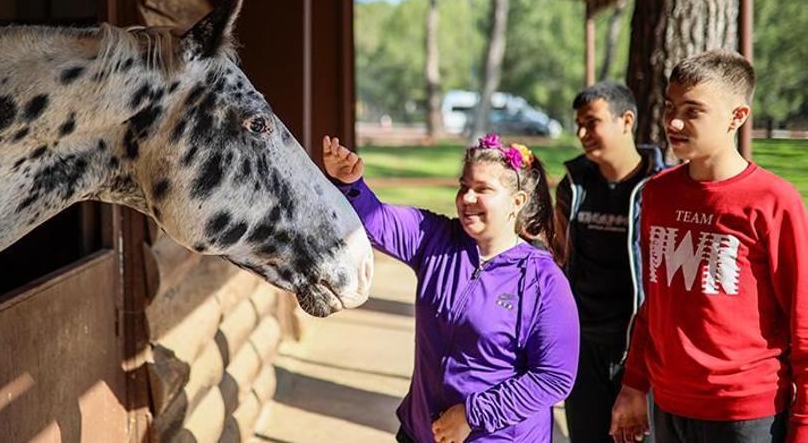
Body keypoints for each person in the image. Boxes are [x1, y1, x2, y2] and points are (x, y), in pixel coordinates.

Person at [323, 133, 579, 442]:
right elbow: (378, 221)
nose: (467, 199)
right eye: (463, 186)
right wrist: (350, 184)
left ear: (517, 202)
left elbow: (553, 377)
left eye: (482, 189)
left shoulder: (543, 280)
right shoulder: (436, 238)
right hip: (419, 434)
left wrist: (472, 415)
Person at [609, 50, 808, 443]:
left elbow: (802, 318)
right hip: (668, 405)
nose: (674, 122)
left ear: (737, 117)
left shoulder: (773, 201)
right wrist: (634, 385)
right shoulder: (657, 194)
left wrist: (803, 424)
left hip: (745, 414)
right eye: (670, 106)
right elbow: (656, 302)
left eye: (692, 110)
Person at [555, 82, 665, 443]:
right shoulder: (573, 185)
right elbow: (559, 257)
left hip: (640, 349)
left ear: (626, 121)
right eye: (578, 124)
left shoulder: (661, 186)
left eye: (592, 122)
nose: (582, 134)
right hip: (582, 347)